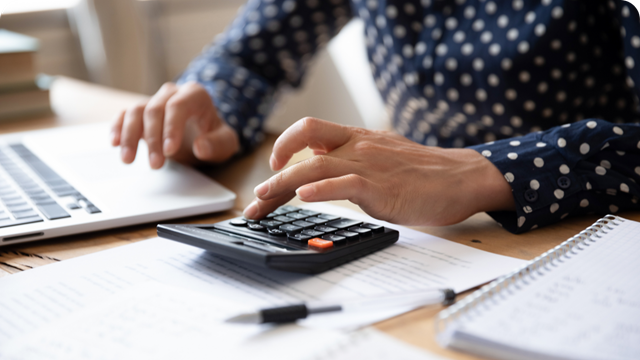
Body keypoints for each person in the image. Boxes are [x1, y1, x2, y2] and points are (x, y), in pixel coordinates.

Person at [111, 0, 640, 233]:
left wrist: (486, 169)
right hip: (429, 234)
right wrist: (213, 115)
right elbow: (249, 56)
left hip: (590, 233)